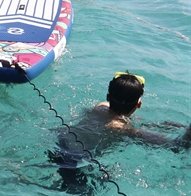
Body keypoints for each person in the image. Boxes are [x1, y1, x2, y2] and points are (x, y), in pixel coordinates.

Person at [49, 72, 191, 192]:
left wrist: (158, 126)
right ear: (139, 104)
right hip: (74, 162)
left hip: (59, 143)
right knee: (97, 185)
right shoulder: (122, 130)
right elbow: (176, 146)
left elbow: (120, 118)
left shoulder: (100, 106)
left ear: (108, 97)